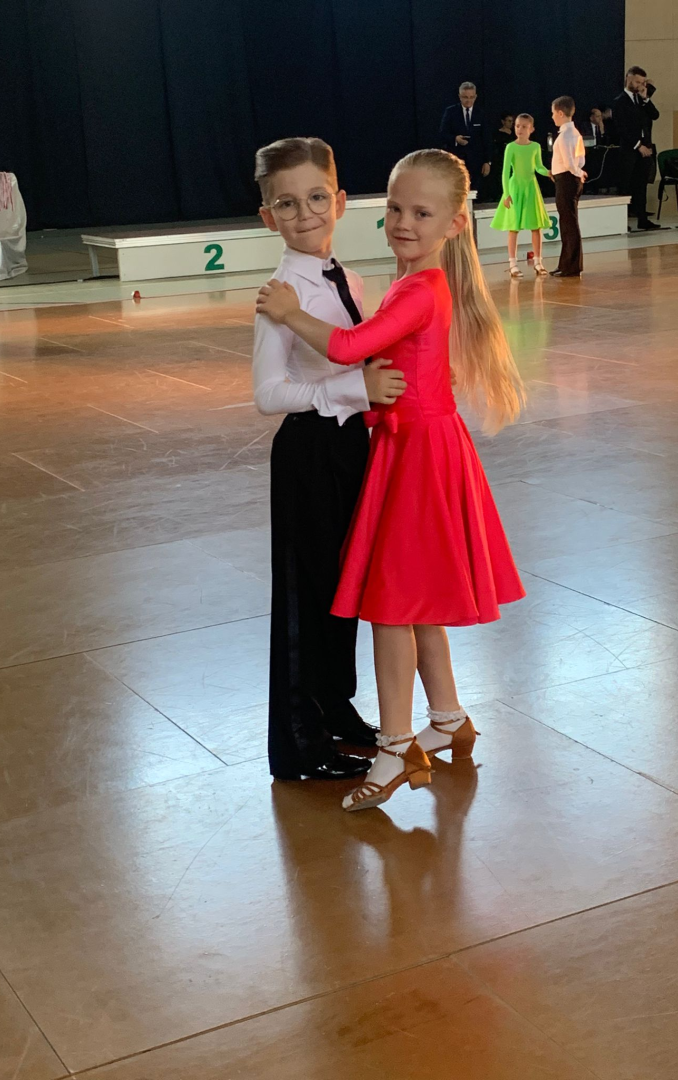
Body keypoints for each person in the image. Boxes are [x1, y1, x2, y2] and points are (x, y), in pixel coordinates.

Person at [256, 148, 526, 812]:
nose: (404, 223)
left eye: (421, 213)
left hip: (411, 453)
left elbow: (352, 349)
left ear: (454, 223)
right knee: (407, 597)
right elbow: (294, 385)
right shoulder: (409, 284)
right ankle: (446, 717)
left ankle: (396, 745)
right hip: (395, 446)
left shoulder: (405, 287)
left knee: (390, 603)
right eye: (397, 209)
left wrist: (293, 315)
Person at [253, 137, 408, 782]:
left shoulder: (352, 280)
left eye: (317, 197)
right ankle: (299, 740)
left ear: (340, 202)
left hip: (350, 447)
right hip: (308, 452)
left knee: (347, 584)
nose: (305, 214)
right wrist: (349, 390)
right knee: (308, 592)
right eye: (287, 204)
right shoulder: (280, 294)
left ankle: (336, 709)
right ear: (268, 217)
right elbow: (268, 394)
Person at [490, 113, 551, 278]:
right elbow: (505, 172)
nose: (520, 129)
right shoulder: (511, 147)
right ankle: (513, 264)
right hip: (515, 187)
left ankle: (538, 262)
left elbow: (538, 167)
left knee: (535, 226)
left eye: (524, 126)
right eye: (517, 126)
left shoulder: (535, 146)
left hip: (531, 187)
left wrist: (548, 172)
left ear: (531, 129)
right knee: (514, 226)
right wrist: (506, 194)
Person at [613, 66, 661, 230]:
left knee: (641, 184)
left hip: (645, 148)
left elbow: (655, 115)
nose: (641, 85)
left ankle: (642, 219)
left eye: (643, 82)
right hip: (629, 149)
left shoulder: (641, 100)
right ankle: (621, 221)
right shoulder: (620, 101)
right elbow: (621, 128)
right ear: (629, 79)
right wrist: (638, 145)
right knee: (625, 185)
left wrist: (646, 99)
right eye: (638, 82)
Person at [549, 96, 586, 278]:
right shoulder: (575, 133)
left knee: (569, 223)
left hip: (567, 180)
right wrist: (579, 171)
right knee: (567, 222)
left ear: (561, 113)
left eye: (553, 113)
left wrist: (578, 172)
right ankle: (565, 264)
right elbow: (581, 159)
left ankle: (571, 266)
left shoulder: (565, 136)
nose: (552, 117)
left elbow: (570, 163)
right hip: (569, 179)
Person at [440, 82, 492, 194]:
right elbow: (443, 133)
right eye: (465, 97)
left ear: (475, 97)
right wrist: (455, 139)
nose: (468, 101)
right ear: (459, 96)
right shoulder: (451, 112)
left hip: (476, 162)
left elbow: (487, 139)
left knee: (475, 192)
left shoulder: (481, 114)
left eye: (471, 97)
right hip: (456, 160)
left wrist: (487, 161)